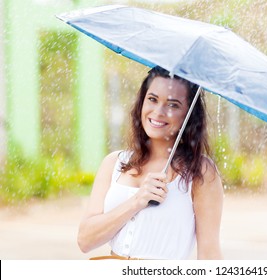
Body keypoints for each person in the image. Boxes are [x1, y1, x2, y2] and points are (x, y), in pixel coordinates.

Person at [77, 66, 224, 260]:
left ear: (188, 116)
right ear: (141, 102)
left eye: (173, 105)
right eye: (152, 99)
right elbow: (85, 240)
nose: (158, 112)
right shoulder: (114, 163)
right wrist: (136, 202)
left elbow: (209, 254)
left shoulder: (200, 172)